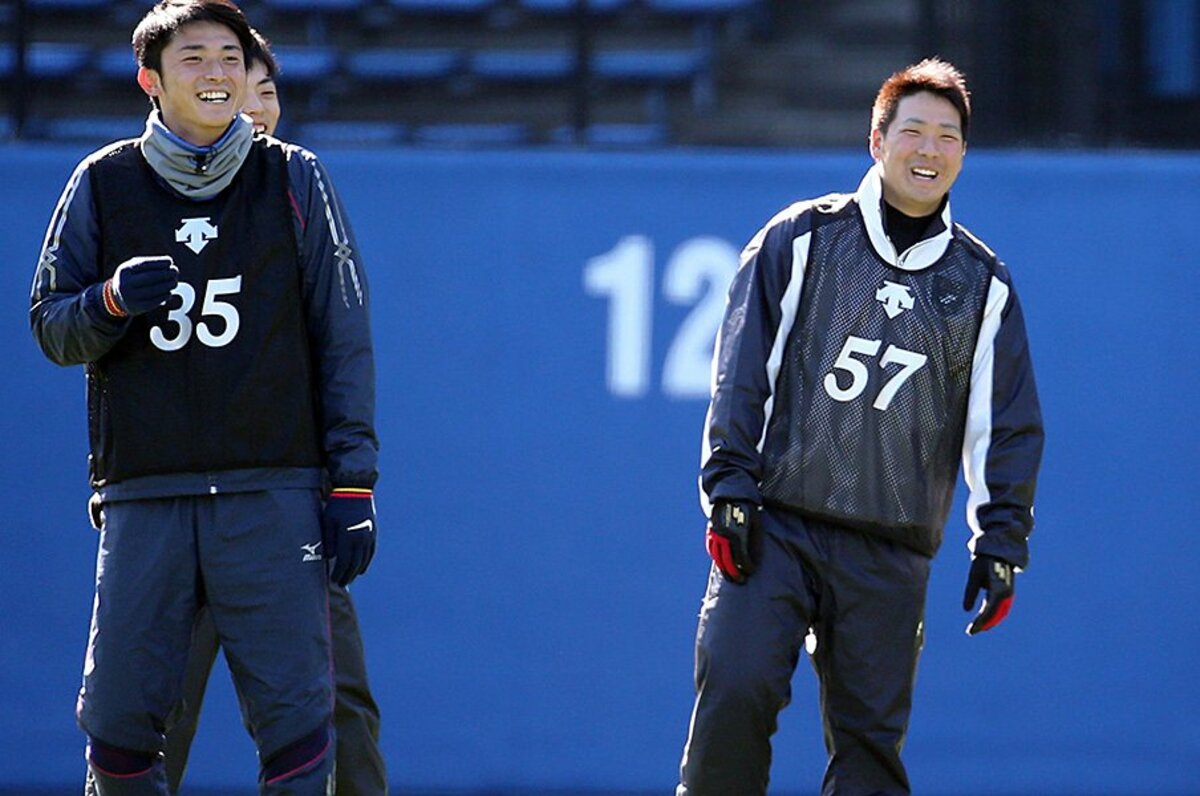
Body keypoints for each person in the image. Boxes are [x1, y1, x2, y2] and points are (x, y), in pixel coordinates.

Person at [29, 2, 379, 794]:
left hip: (271, 494)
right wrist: (109, 302)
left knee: (300, 729)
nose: (217, 72)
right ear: (150, 80)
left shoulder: (295, 176)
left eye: (231, 55)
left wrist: (354, 481)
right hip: (145, 497)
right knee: (119, 730)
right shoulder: (102, 181)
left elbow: (343, 335)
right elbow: (51, 328)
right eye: (194, 57)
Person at [675, 58, 1044, 795]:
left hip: (890, 549)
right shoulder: (802, 238)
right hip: (774, 527)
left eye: (948, 137)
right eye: (913, 131)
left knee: (871, 748)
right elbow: (742, 370)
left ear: (964, 156)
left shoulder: (983, 285)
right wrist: (728, 486)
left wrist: (1002, 541)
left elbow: (1006, 427)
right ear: (876, 141)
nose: (930, 150)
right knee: (735, 694)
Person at [158, 30, 389, 796]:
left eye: (267, 94)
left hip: (288, 508)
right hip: (176, 510)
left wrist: (349, 485)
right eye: (235, 90)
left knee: (337, 708)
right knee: (152, 715)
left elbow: (345, 347)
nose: (257, 110)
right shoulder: (135, 196)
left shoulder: (302, 199)